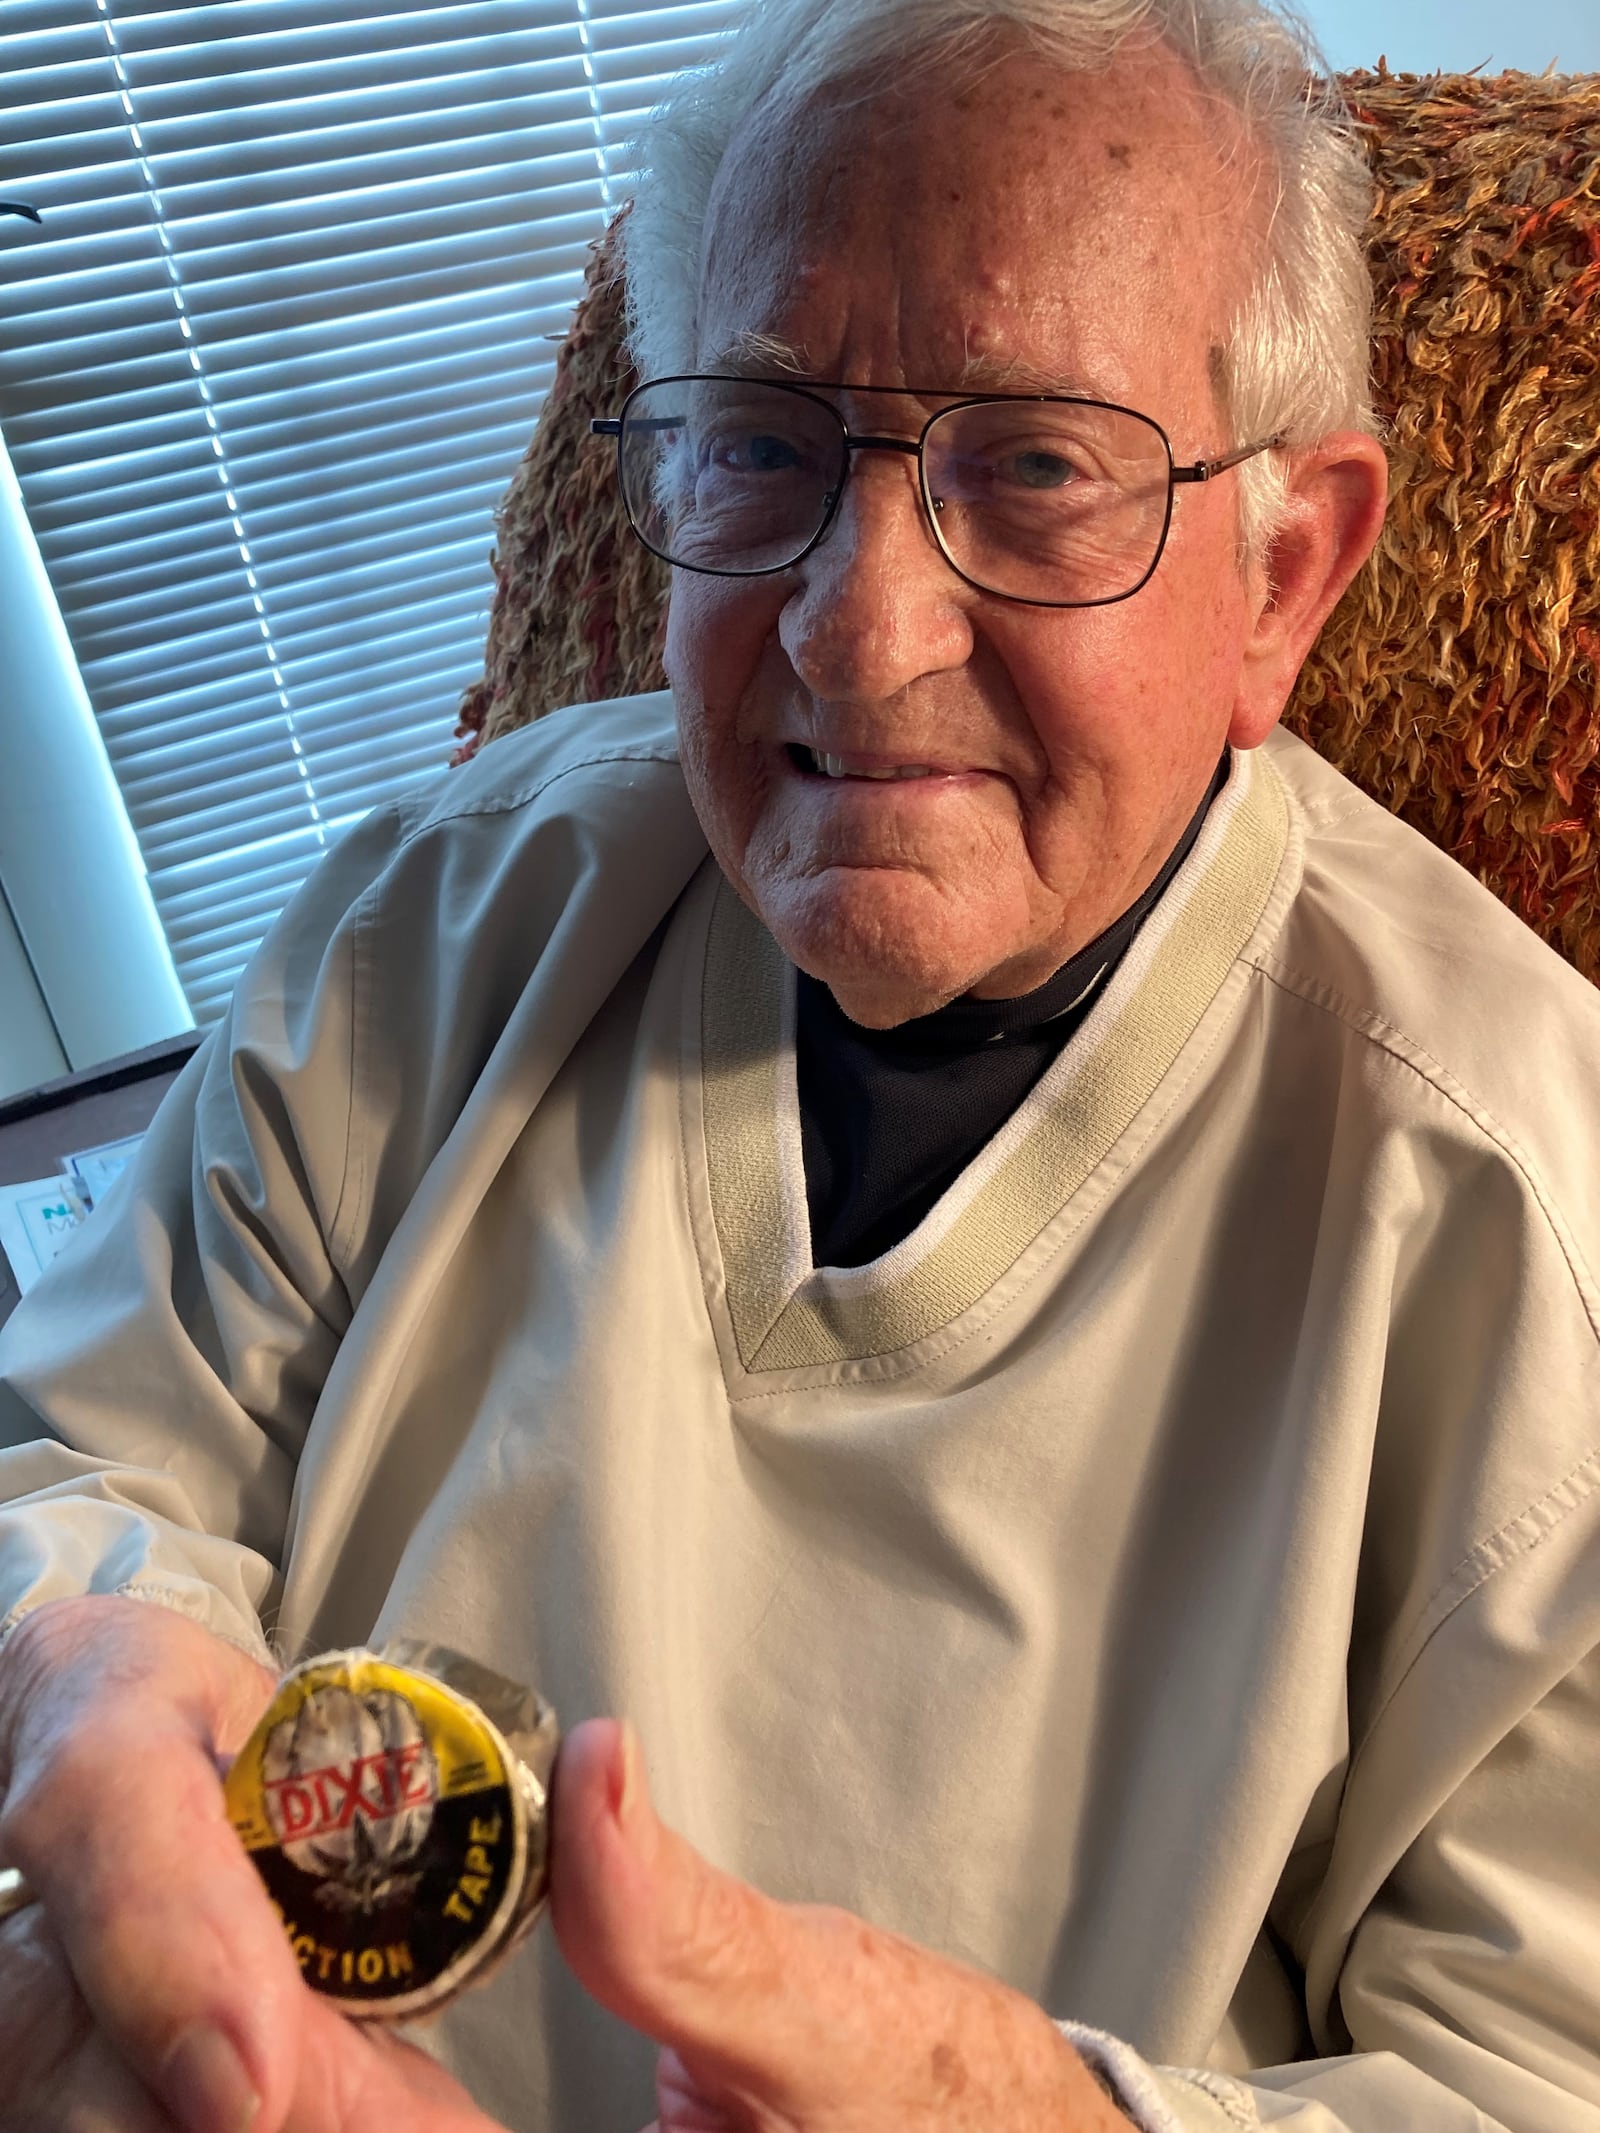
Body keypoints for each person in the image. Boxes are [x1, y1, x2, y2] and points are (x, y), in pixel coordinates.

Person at [1, 0, 1597, 2127]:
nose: (856, 628)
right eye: (757, 442)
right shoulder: (442, 914)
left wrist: (1029, 2103)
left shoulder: (1512, 1212)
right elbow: (76, 1453)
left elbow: (1532, 2070)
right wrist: (83, 1664)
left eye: (1031, 465)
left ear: (1279, 573)